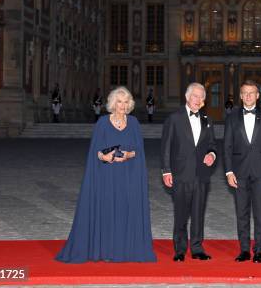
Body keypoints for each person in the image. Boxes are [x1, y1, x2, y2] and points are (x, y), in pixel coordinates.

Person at [56, 86, 156, 263]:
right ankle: (105, 249)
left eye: (126, 102)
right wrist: (105, 156)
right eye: (119, 102)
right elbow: (95, 151)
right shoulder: (102, 122)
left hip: (128, 176)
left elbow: (139, 151)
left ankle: (124, 249)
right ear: (112, 103)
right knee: (107, 210)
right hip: (106, 176)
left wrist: (127, 155)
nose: (123, 106)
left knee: (124, 210)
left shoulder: (134, 123)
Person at [161, 82, 217, 262]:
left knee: (198, 213)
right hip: (180, 173)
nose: (198, 99)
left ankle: (197, 248)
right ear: (187, 97)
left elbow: (212, 145)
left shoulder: (207, 119)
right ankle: (179, 249)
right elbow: (166, 147)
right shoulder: (174, 118)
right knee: (181, 214)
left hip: (201, 175)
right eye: (195, 95)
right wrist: (166, 171)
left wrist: (212, 155)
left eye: (201, 97)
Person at [224, 80, 261, 264]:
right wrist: (229, 171)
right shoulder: (231, 117)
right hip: (239, 172)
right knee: (242, 212)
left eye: (251, 92)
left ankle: (259, 250)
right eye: (244, 93)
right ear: (240, 96)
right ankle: (245, 250)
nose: (248, 96)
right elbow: (227, 146)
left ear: (258, 95)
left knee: (260, 212)